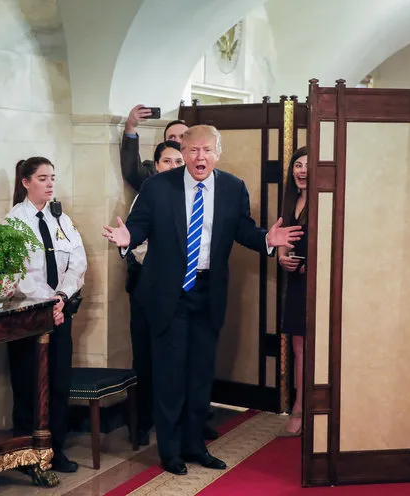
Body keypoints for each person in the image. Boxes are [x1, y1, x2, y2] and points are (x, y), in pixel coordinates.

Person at [103, 125, 303, 475]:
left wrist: (267, 239)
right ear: (183, 150)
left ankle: (196, 447)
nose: (200, 157)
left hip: (208, 293)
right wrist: (126, 238)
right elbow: (139, 227)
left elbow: (243, 229)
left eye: (207, 150)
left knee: (199, 376)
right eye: (193, 150)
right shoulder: (158, 187)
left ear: (218, 152)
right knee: (170, 377)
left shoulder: (232, 187)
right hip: (169, 295)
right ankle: (171, 452)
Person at [5, 157, 87, 475]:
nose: (50, 183)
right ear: (26, 182)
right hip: (29, 317)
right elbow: (19, 274)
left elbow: (77, 263)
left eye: (53, 177)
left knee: (58, 384)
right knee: (29, 384)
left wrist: (62, 297)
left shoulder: (61, 219)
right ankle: (27, 452)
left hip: (60, 311)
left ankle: (55, 450)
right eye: (42, 178)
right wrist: (46, 302)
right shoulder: (14, 223)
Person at [126, 141, 185, 447]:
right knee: (146, 357)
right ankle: (141, 423)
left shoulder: (191, 195)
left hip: (182, 291)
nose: (173, 166)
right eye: (167, 161)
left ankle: (180, 423)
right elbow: (135, 240)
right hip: (149, 288)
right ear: (156, 165)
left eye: (178, 161)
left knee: (177, 360)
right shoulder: (148, 194)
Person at [278, 147, 308, 436]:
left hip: (322, 285)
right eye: (297, 165)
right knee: (299, 349)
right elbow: (283, 242)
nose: (301, 170)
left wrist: (308, 266)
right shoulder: (291, 201)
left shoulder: (327, 201)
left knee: (320, 350)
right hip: (296, 285)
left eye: (307, 165)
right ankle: (299, 408)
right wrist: (282, 257)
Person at [120, 104, 188, 191]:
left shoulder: (200, 170)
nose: (177, 141)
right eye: (172, 137)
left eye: (182, 137)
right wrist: (130, 126)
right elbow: (133, 170)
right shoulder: (152, 171)